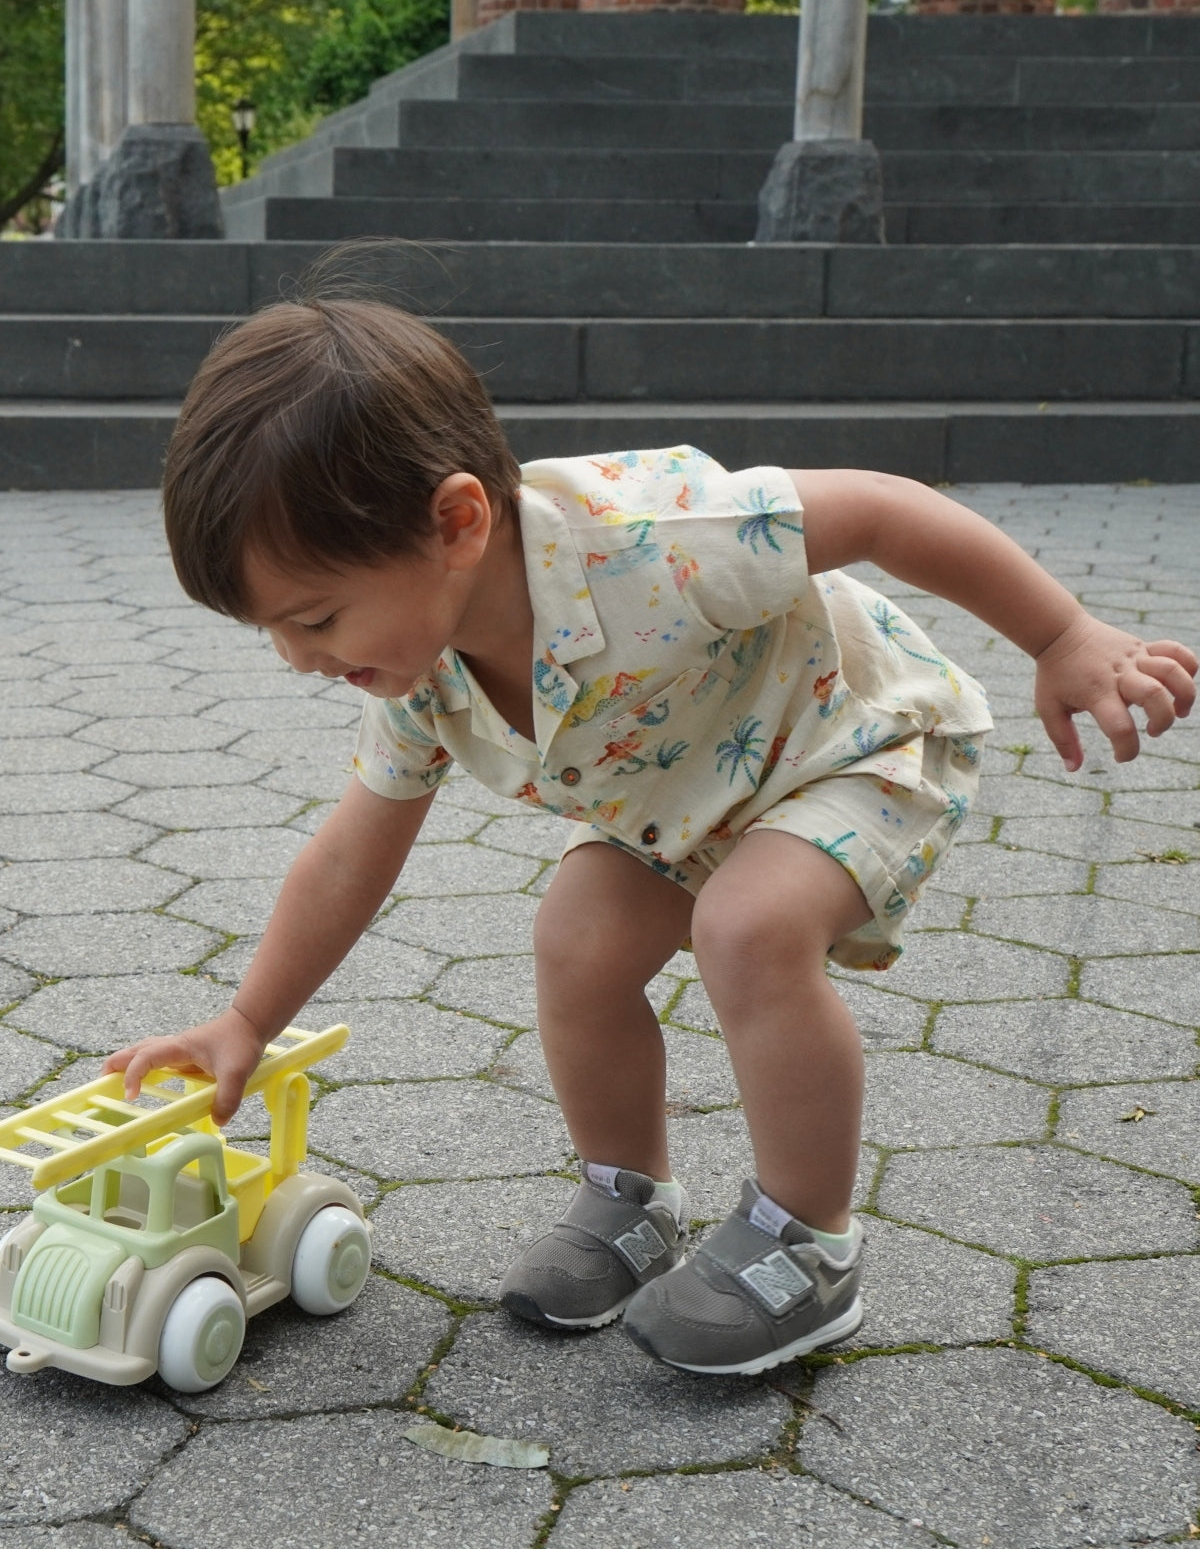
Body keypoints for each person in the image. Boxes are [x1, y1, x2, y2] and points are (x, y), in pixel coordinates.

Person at [104, 297, 1197, 1377]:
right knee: (575, 940)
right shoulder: (418, 675)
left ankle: (806, 1242)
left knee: (748, 927)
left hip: (853, 746)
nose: (298, 659)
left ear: (455, 523)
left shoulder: (654, 540)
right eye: (272, 631)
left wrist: (1062, 635)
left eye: (316, 617)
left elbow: (882, 509)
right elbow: (352, 850)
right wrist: (248, 1017)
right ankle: (631, 1200)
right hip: (682, 809)